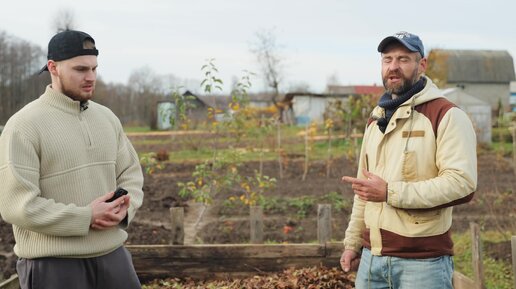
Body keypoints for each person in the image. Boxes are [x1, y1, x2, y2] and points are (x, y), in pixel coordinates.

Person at [0, 30, 144, 289]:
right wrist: (86, 216)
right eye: (80, 69)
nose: (90, 77)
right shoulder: (23, 126)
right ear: (53, 68)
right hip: (54, 266)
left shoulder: (107, 118)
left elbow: (131, 175)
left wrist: (124, 208)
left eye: (94, 69)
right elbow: (17, 205)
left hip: (114, 258)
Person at [339, 31, 477, 289]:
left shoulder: (445, 115)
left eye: (403, 59)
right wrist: (353, 243)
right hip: (371, 261)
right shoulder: (375, 120)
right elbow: (364, 191)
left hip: (422, 264)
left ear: (421, 65)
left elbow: (463, 184)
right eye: (387, 59)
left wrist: (391, 192)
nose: (393, 67)